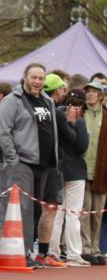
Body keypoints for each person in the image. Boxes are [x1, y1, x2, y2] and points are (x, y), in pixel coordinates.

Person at [0, 62, 63, 268]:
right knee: (22, 210)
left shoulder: (47, 100)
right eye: (34, 77)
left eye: (41, 78)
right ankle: (19, 252)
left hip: (45, 165)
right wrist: (13, 160)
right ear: (25, 77)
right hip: (23, 163)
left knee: (35, 211)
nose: (37, 82)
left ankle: (27, 251)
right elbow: (3, 132)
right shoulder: (12, 100)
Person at [49, 85, 90, 266]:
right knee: (61, 214)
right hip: (63, 170)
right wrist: (72, 123)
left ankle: (65, 253)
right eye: (73, 103)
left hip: (71, 171)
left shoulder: (75, 119)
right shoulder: (62, 116)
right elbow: (78, 143)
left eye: (79, 105)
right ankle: (60, 252)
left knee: (68, 215)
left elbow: (81, 146)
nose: (76, 108)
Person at [81, 80, 106, 265]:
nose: (90, 94)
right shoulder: (80, 114)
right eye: (87, 91)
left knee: (97, 213)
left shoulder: (105, 116)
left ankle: (96, 248)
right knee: (84, 211)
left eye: (93, 92)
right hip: (82, 170)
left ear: (101, 96)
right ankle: (85, 248)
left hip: (101, 172)